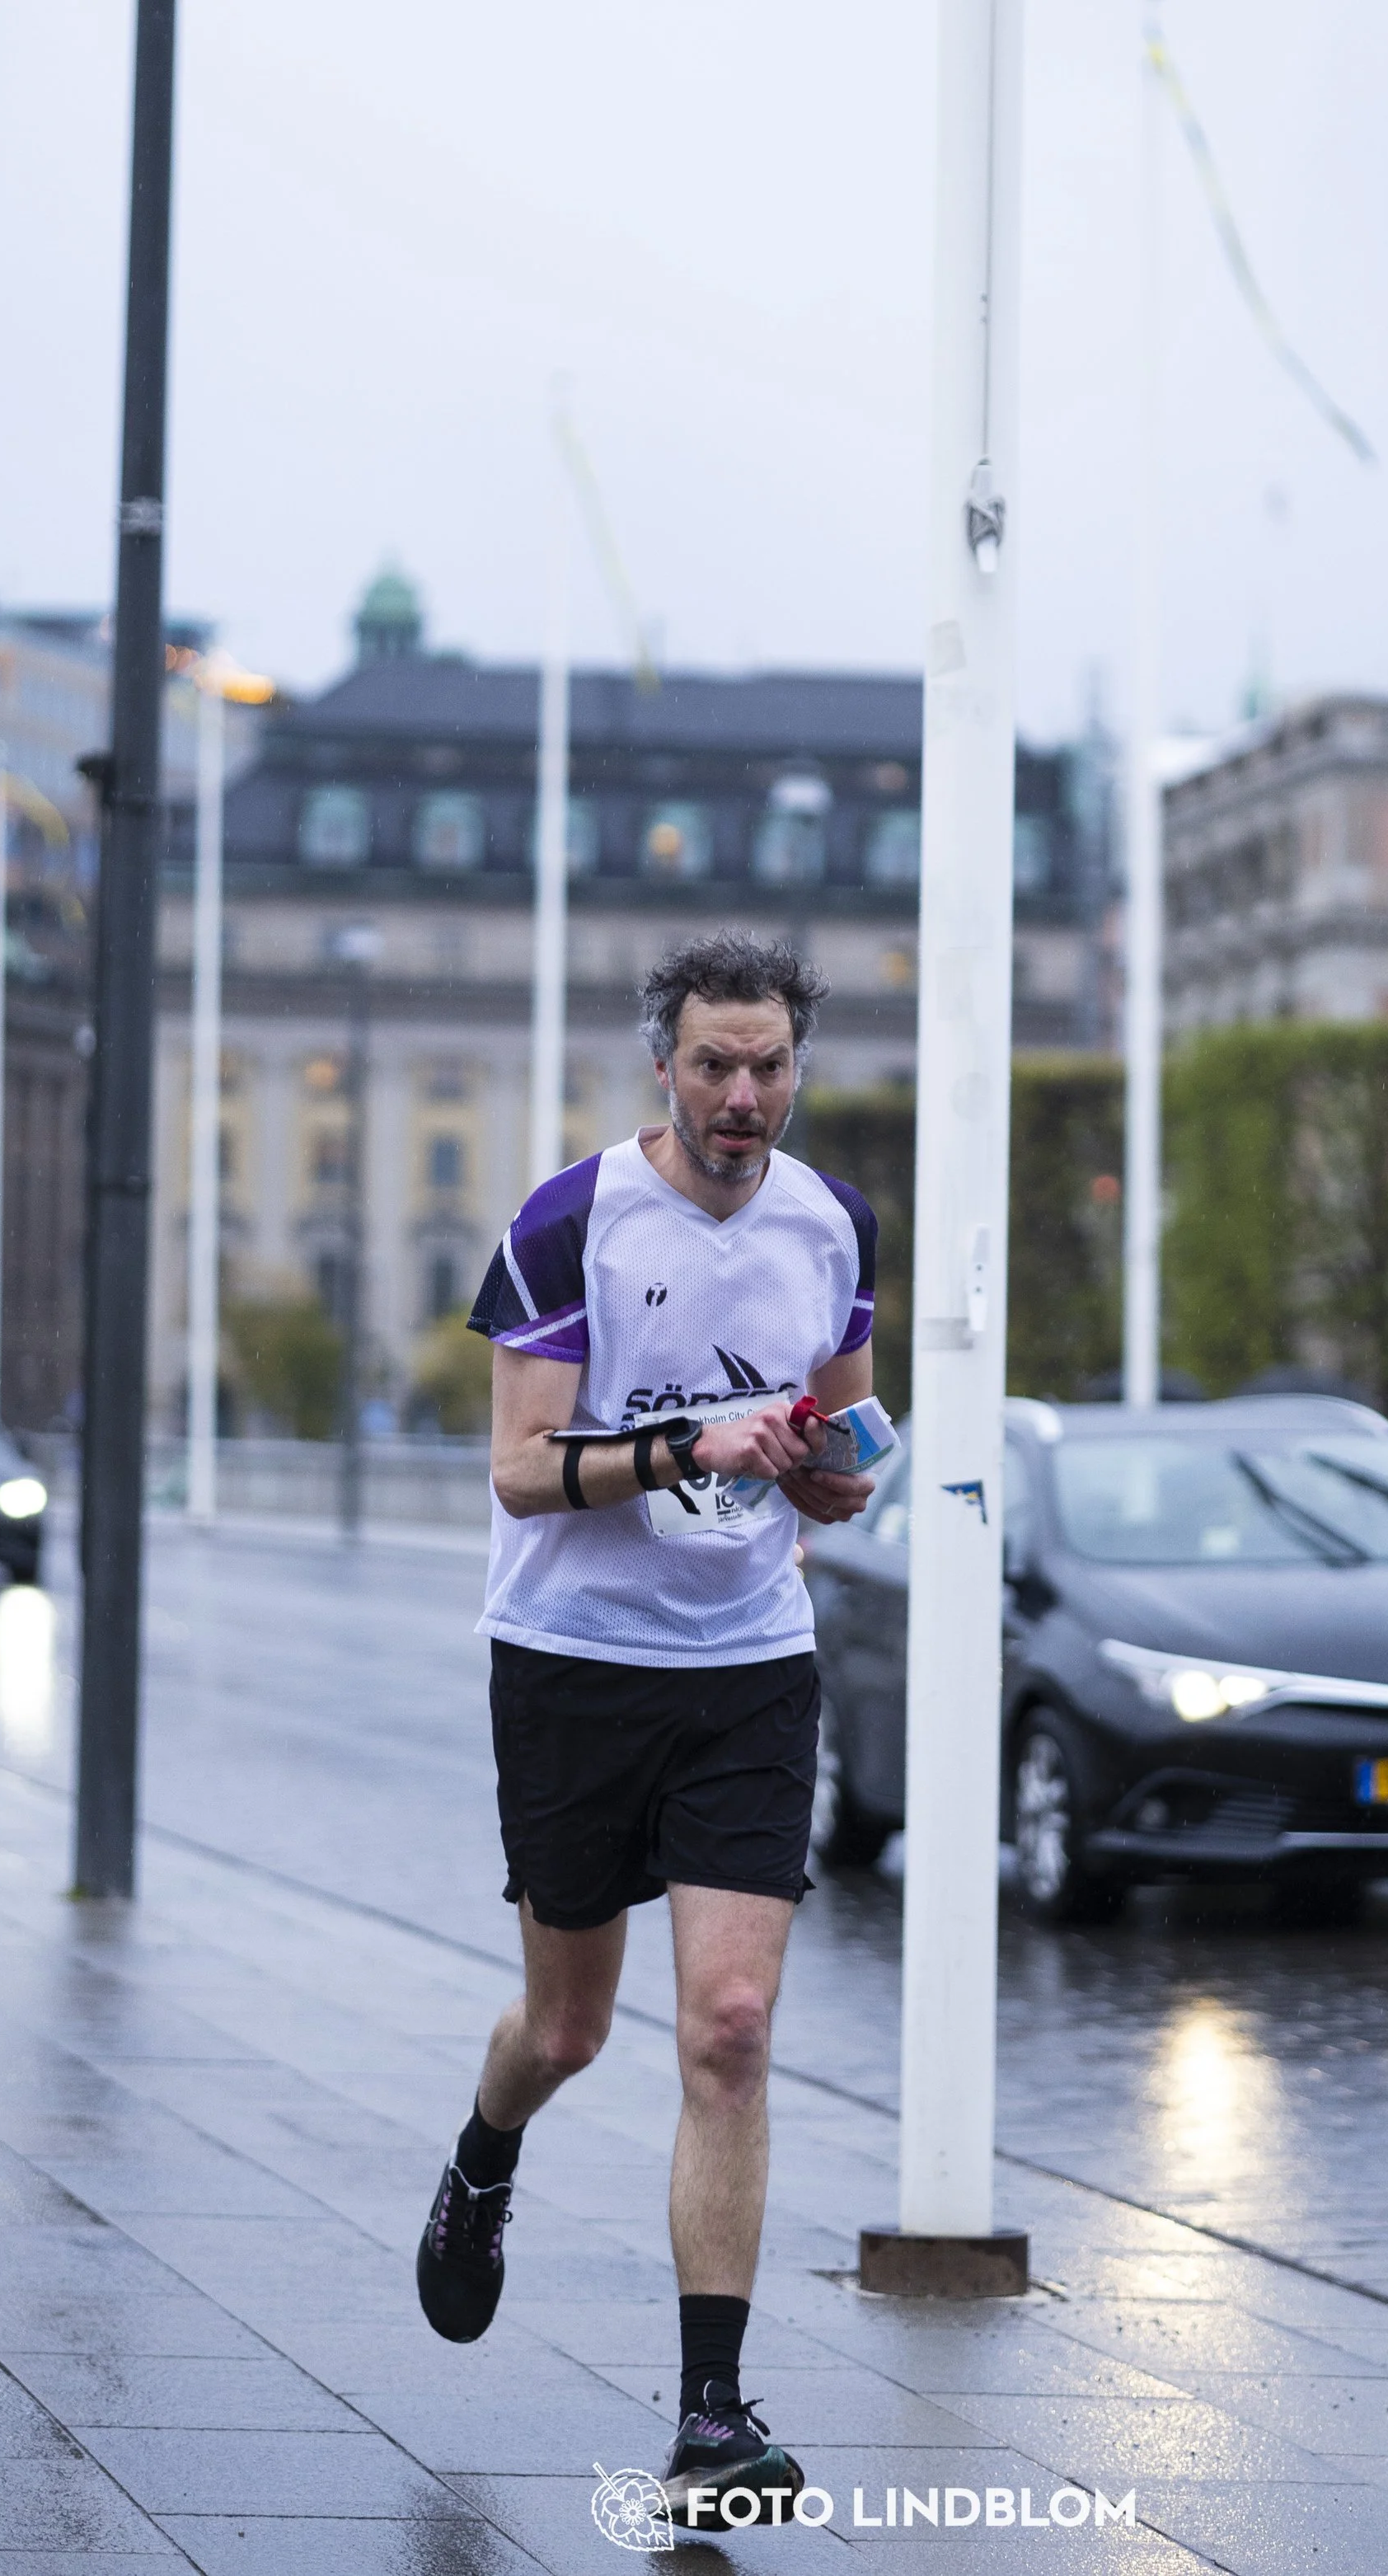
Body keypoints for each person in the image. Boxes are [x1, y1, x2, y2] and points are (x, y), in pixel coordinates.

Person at [416, 931, 878, 2529]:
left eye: (767, 1066)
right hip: (572, 1656)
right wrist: (693, 1441)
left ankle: (708, 2413)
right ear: (662, 1067)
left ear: (794, 1064)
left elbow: (843, 1438)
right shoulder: (571, 1221)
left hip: (751, 1656)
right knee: (567, 2028)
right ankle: (483, 2159)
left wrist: (824, 1471)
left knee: (731, 2024)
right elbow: (523, 1468)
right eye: (712, 1066)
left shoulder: (833, 1222)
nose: (742, 1094)